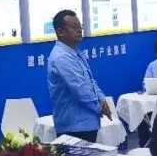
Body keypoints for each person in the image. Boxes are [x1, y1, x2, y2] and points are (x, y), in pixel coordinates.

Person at [47, 9, 112, 143]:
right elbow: (80, 89)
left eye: (80, 26)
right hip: (74, 127)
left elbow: (90, 82)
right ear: (60, 32)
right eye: (74, 27)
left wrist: (102, 99)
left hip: (85, 123)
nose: (79, 30)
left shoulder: (75, 53)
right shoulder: (62, 57)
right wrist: (99, 108)